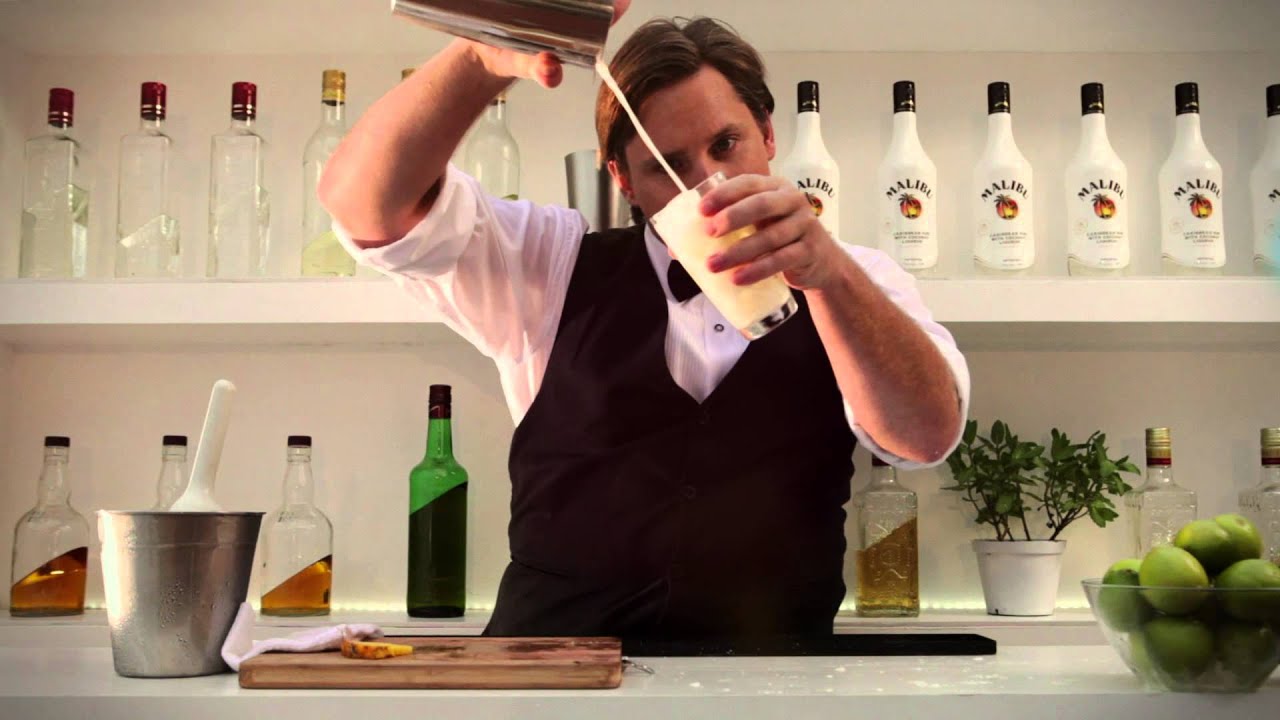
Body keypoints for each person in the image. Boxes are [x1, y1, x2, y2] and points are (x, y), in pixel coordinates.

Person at [319, 4, 969, 638]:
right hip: (551, 679)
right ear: (623, 179)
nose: (707, 185)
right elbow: (364, 208)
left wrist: (831, 277)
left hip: (770, 684)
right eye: (668, 165)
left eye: (726, 144)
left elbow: (926, 437)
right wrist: (479, 56)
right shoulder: (549, 264)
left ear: (769, 135)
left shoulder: (860, 279)